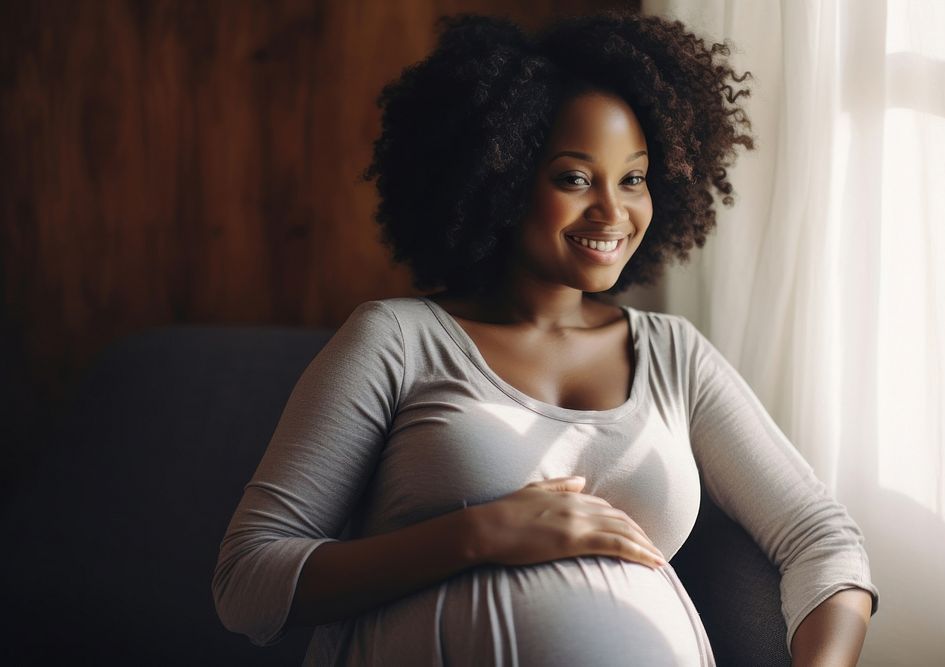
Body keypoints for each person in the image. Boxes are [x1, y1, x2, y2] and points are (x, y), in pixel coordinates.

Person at [212, 11, 878, 666]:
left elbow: (822, 539)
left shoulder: (675, 356)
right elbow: (247, 580)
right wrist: (481, 531)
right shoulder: (396, 340)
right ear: (499, 177)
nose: (613, 212)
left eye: (634, 178)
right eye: (575, 177)